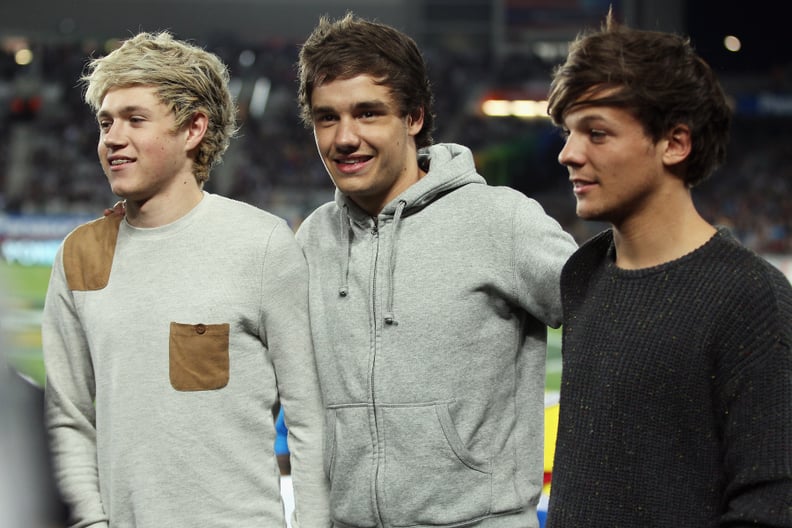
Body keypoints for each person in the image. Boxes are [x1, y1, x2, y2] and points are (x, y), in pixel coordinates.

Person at [295, 13, 577, 528]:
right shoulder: (313, 238)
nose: (344, 137)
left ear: (415, 118)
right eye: (326, 117)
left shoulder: (500, 220)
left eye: (368, 113)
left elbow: (615, 321)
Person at [42, 31, 329, 527]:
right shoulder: (80, 254)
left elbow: (310, 418)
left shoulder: (260, 244)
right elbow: (68, 418)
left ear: (194, 128)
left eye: (135, 119)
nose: (112, 138)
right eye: (106, 122)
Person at [545, 12, 792, 527]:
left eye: (597, 133)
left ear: (674, 143)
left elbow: (771, 505)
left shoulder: (751, 297)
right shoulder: (584, 274)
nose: (569, 154)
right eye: (569, 133)